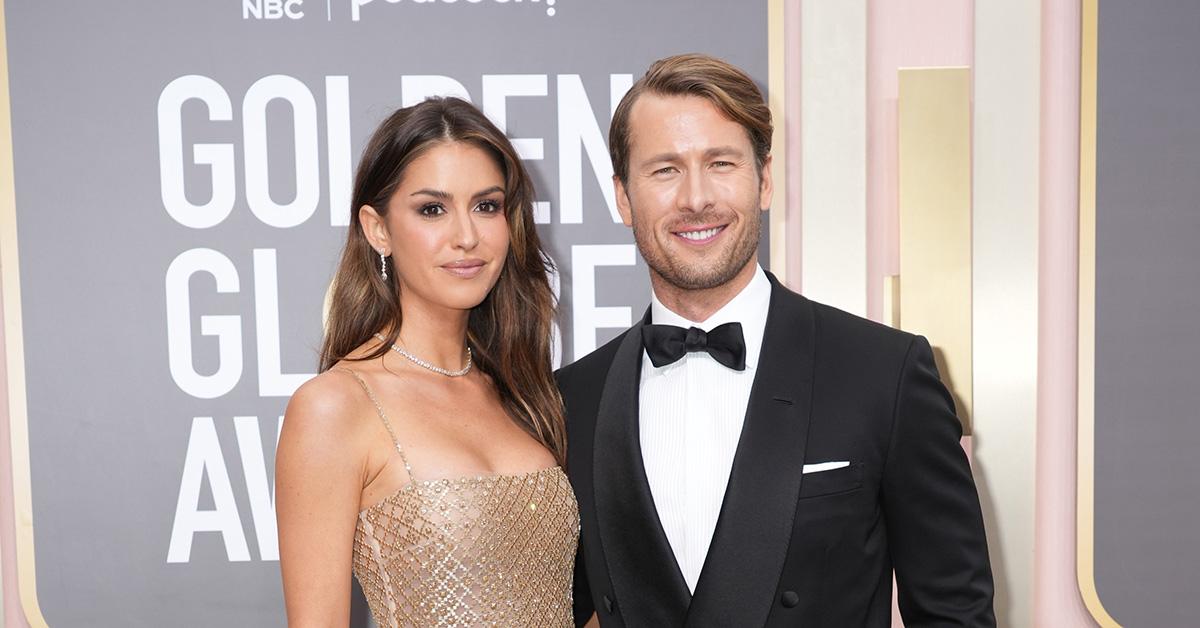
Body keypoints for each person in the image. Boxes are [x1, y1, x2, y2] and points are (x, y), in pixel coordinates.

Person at [557, 54, 995, 626]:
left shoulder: (885, 373)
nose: (696, 198)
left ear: (763, 180)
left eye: (721, 163)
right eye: (665, 170)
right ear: (622, 198)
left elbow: (953, 611)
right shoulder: (572, 399)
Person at [276, 97, 578, 627]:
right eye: (432, 209)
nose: (467, 235)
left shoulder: (525, 390)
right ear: (378, 229)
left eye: (487, 206)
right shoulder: (335, 407)